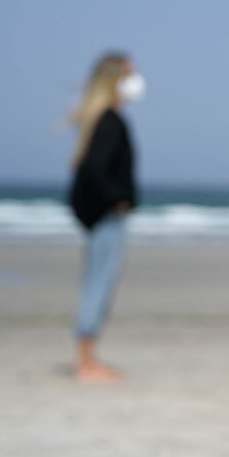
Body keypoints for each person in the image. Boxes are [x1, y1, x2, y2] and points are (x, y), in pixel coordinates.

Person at [67, 51, 143, 382]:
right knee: (98, 284)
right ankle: (86, 361)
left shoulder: (98, 119)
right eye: (130, 74)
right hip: (105, 217)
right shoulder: (109, 121)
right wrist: (119, 200)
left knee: (97, 282)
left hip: (97, 216)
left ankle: (88, 357)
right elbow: (95, 172)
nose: (136, 82)